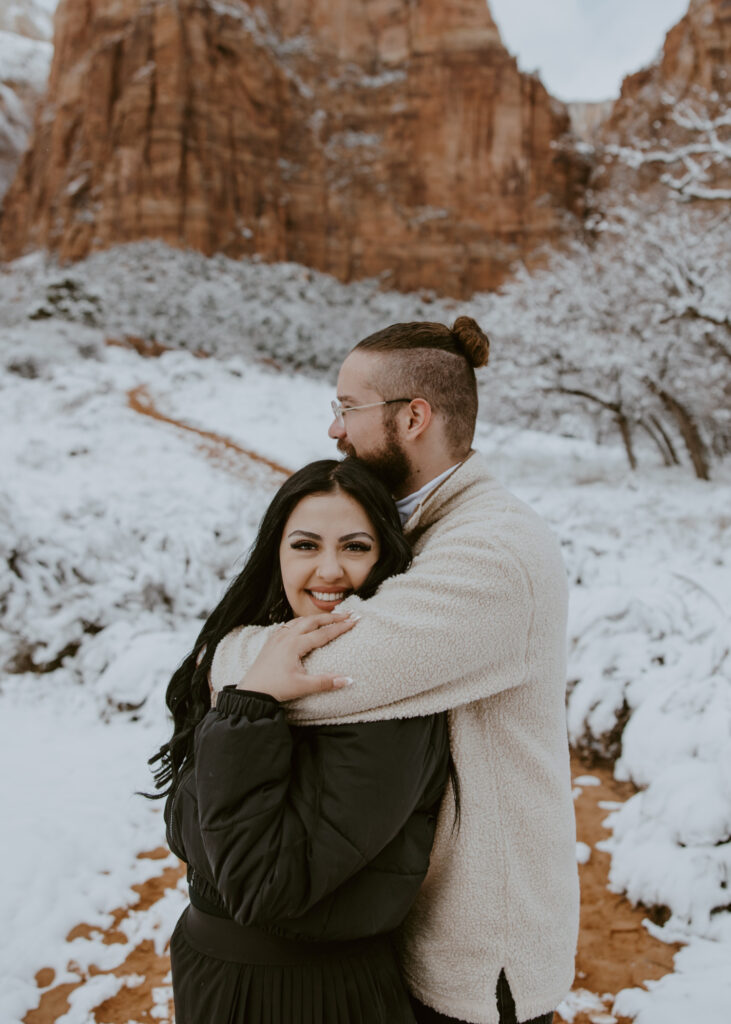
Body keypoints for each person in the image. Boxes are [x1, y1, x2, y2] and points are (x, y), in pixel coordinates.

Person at [212, 316, 580, 1024]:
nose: (334, 430)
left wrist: (218, 658)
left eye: (346, 408)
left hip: (476, 958)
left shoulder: (491, 552)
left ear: (413, 417)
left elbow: (335, 675)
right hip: (410, 925)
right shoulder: (421, 526)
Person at [150, 459, 451, 1024]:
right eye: (306, 545)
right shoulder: (261, 653)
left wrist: (250, 705)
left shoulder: (384, 695)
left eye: (356, 547)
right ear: (277, 555)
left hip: (313, 996)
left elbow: (264, 886)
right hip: (217, 977)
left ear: (386, 557)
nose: (330, 570)